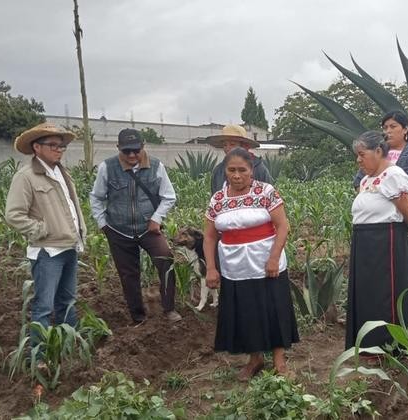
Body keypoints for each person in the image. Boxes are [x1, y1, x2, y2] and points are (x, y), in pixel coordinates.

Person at [203, 147, 299, 381]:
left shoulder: (266, 192)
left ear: (252, 170)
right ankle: (255, 359)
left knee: (273, 308)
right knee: (246, 312)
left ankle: (279, 361)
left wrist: (274, 257)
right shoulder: (218, 199)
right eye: (231, 170)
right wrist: (211, 267)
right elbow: (209, 236)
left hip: (266, 262)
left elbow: (283, 226)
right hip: (235, 268)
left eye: (242, 170)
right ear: (225, 171)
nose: (236, 175)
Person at [5, 122, 86, 350]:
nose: (59, 150)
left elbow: (70, 207)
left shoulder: (62, 173)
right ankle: (38, 357)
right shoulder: (26, 176)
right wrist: (41, 230)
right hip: (47, 252)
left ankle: (69, 345)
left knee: (67, 302)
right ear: (37, 147)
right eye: (53, 145)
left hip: (69, 247)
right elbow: (13, 214)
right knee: (43, 307)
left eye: (61, 146)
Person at [89, 128, 180, 324]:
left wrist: (157, 218)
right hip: (118, 230)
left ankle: (169, 309)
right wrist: (103, 224)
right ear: (118, 148)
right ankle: (138, 317)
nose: (131, 155)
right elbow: (96, 198)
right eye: (126, 151)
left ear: (143, 146)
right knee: (128, 274)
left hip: (149, 228)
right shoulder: (107, 167)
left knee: (166, 260)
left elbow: (169, 196)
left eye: (136, 150)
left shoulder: (156, 166)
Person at [346, 131, 408, 351]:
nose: (358, 160)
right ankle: (369, 344)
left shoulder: (394, 176)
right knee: (369, 294)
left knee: (386, 295)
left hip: (386, 243)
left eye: (361, 154)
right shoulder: (366, 181)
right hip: (365, 242)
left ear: (378, 151)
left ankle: (391, 345)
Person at [353, 110, 408, 290]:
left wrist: (405, 209)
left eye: (393, 126)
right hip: (382, 219)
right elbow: (361, 181)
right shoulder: (379, 152)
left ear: (405, 129)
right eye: (385, 127)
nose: (388, 131)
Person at [205, 124, 273, 194]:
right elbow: (215, 198)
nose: (227, 148)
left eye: (232, 144)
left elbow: (269, 195)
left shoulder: (258, 168)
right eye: (225, 145)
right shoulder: (219, 171)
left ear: (244, 146)